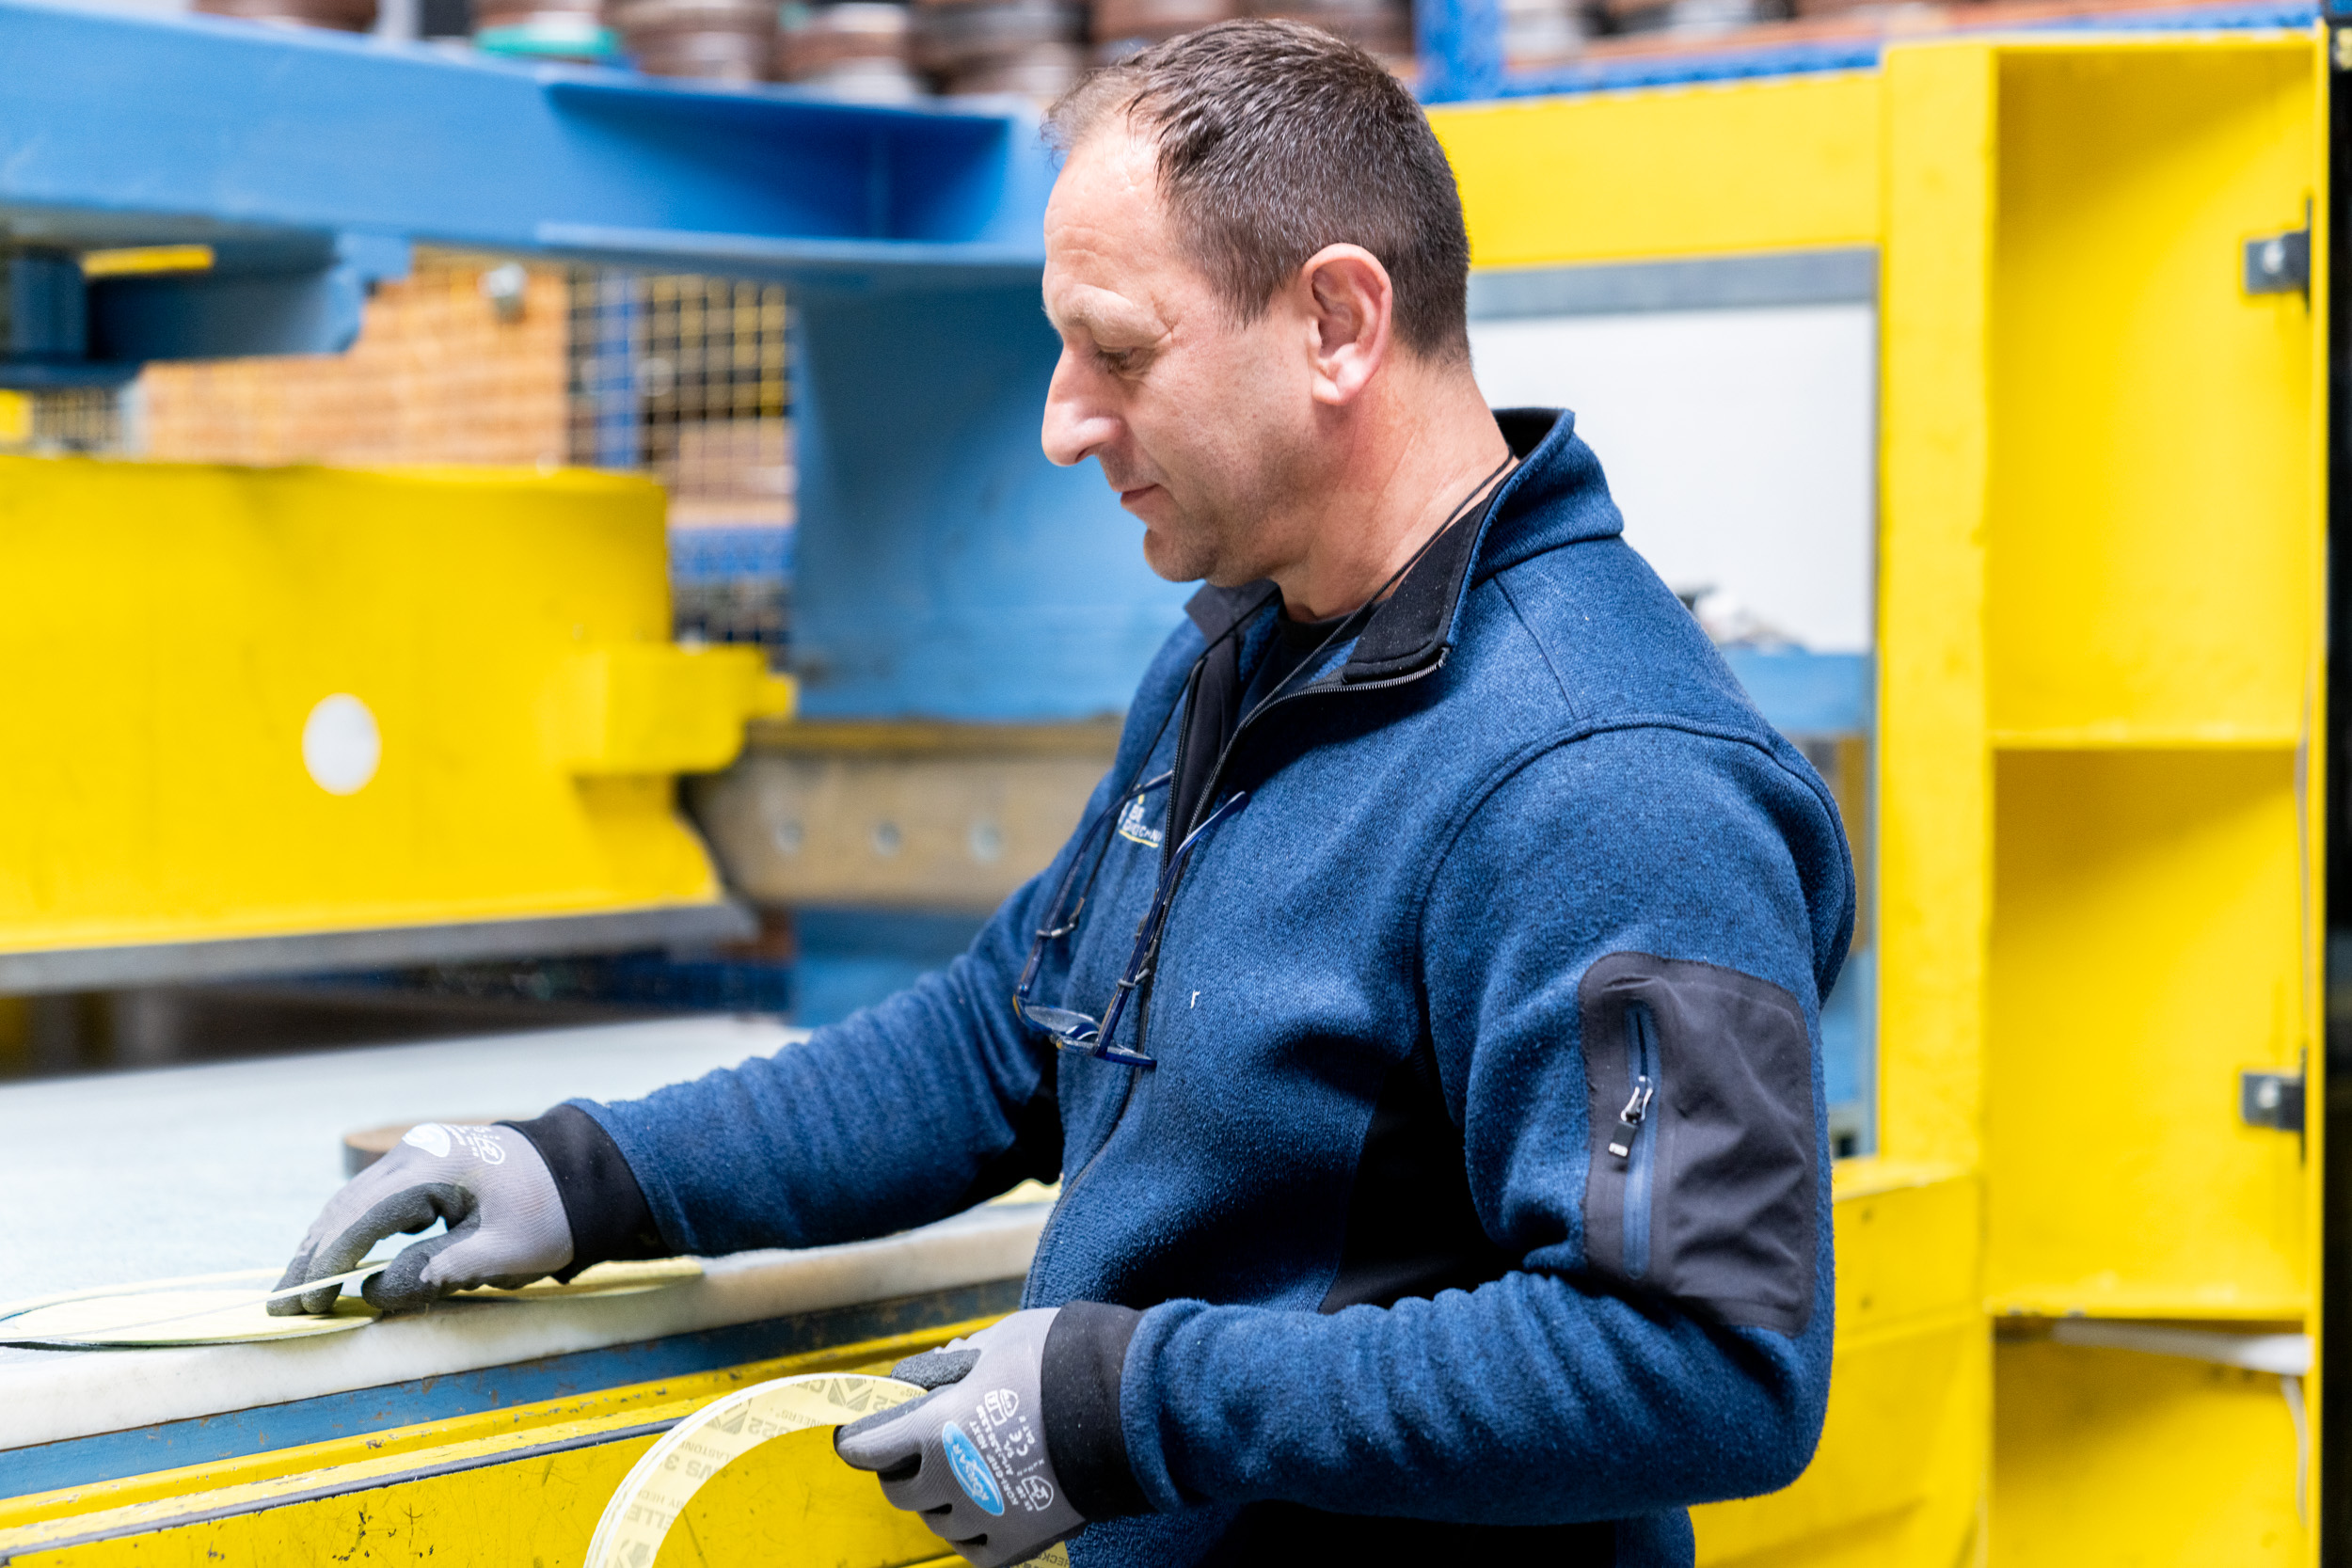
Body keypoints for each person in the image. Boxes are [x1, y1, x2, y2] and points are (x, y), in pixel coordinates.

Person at [272, 21, 1854, 1567]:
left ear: (1338, 324)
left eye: (1120, 351)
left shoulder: (1605, 779)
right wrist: (586, 1176)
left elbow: (1706, 1366)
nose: (1061, 419)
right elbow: (1008, 1040)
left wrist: (1133, 1406)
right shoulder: (1255, 653)